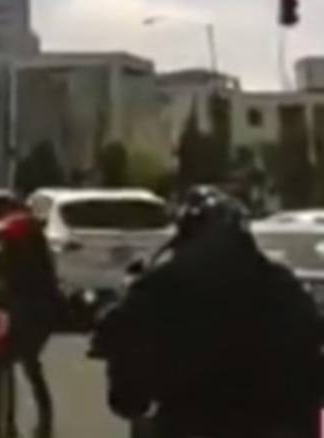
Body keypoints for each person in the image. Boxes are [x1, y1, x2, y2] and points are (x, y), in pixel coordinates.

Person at [90, 186, 322, 438]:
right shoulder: (281, 284)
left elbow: (126, 371)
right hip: (256, 420)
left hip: (208, 421)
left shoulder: (164, 282)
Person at [0, 190, 62, 438]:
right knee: (26, 365)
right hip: (34, 309)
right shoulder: (22, 233)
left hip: (32, 308)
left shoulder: (21, 224)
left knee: (7, 362)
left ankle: (12, 424)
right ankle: (33, 423)